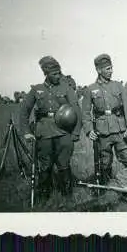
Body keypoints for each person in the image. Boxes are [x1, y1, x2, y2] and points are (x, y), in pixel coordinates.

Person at [20, 56, 82, 199]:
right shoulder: (37, 90)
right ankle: (44, 197)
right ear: (46, 74)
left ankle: (67, 196)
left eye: (59, 73)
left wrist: (76, 132)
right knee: (45, 165)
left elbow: (77, 110)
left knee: (64, 164)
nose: (58, 76)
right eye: (54, 74)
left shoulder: (66, 88)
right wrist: (27, 132)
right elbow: (24, 111)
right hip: (43, 133)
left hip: (63, 132)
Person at [82, 54, 127, 184]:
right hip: (102, 133)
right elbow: (85, 113)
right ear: (98, 70)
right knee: (104, 162)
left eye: (111, 68)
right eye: (107, 69)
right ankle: (106, 188)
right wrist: (89, 130)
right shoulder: (91, 89)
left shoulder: (118, 86)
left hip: (120, 130)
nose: (111, 71)